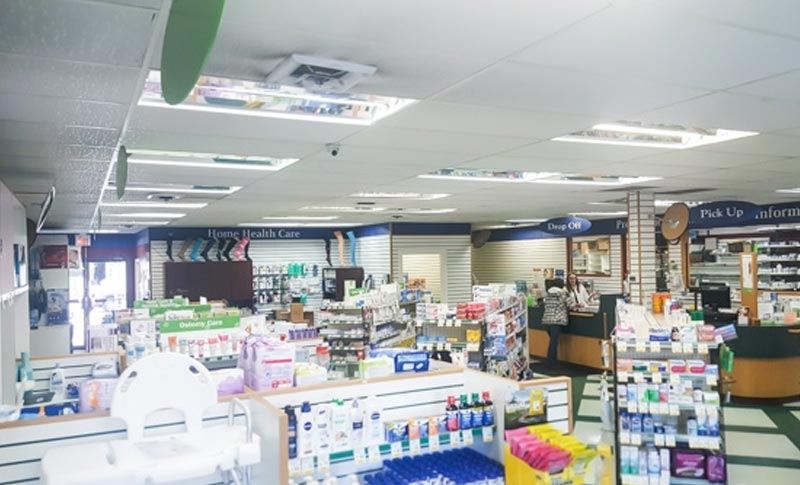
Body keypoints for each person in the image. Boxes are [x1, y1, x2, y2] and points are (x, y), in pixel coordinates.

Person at [541, 279, 570, 368]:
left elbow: (544, 303)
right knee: (553, 343)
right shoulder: (562, 294)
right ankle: (551, 363)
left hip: (546, 320)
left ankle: (550, 361)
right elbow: (570, 304)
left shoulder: (548, 294)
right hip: (557, 320)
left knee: (552, 342)